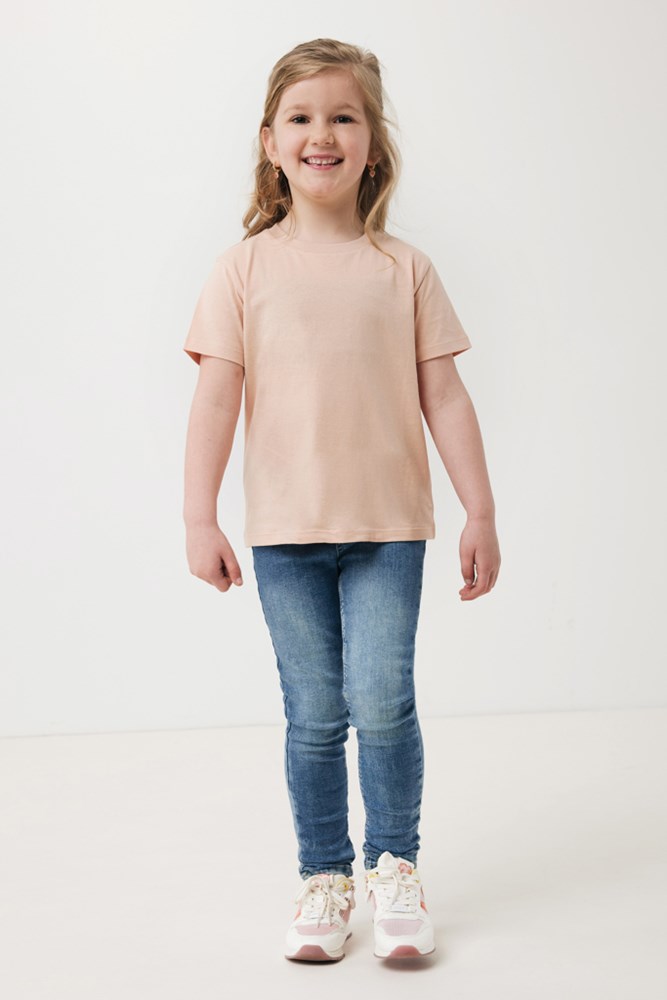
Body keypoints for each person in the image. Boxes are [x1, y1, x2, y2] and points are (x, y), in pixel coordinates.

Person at [182, 38, 501, 963]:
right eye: (301, 117)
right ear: (270, 143)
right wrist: (198, 517)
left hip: (389, 530)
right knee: (315, 717)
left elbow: (445, 395)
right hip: (284, 535)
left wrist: (479, 511)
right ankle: (324, 877)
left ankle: (394, 865)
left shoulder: (404, 269)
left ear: (371, 143)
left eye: (343, 116)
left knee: (384, 704)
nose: (321, 133)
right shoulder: (241, 270)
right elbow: (215, 400)